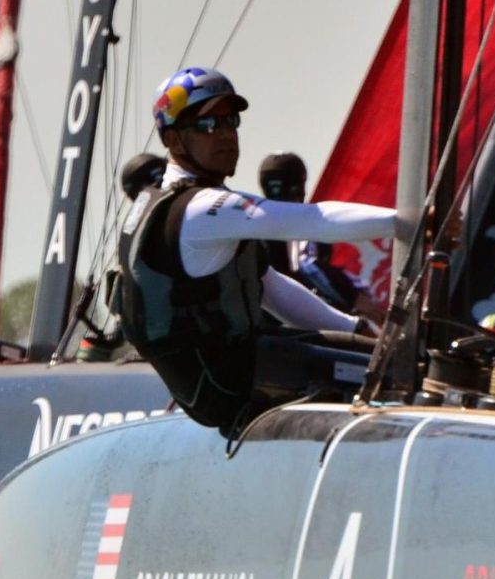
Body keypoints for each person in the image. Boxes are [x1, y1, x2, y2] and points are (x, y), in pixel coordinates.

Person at [112, 66, 400, 433]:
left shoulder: (175, 203)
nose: (226, 135)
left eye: (230, 121)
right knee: (402, 375)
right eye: (207, 125)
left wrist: (357, 328)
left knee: (383, 355)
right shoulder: (201, 210)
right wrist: (409, 220)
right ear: (173, 140)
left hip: (244, 363)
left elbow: (274, 289)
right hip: (229, 386)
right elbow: (315, 220)